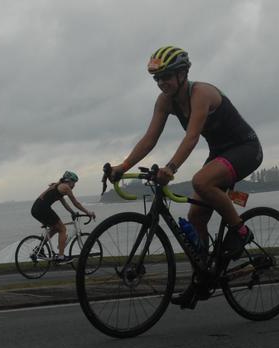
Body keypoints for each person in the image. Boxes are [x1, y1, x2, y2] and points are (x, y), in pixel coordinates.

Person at [108, 46, 263, 306]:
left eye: (166, 77)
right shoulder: (165, 102)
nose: (161, 83)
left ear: (183, 74)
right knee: (195, 218)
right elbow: (149, 139)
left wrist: (171, 168)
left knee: (201, 181)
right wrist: (123, 166)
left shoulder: (200, 93)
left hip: (245, 148)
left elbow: (191, 138)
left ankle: (240, 230)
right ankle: (202, 279)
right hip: (220, 153)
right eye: (157, 79)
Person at [31, 171, 96, 263]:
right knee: (62, 229)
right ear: (69, 181)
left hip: (36, 209)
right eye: (74, 182)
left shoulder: (59, 186)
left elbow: (64, 204)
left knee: (54, 228)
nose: (74, 185)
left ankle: (38, 249)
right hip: (43, 208)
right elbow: (75, 203)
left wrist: (72, 212)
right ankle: (61, 257)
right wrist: (88, 212)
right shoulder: (66, 187)